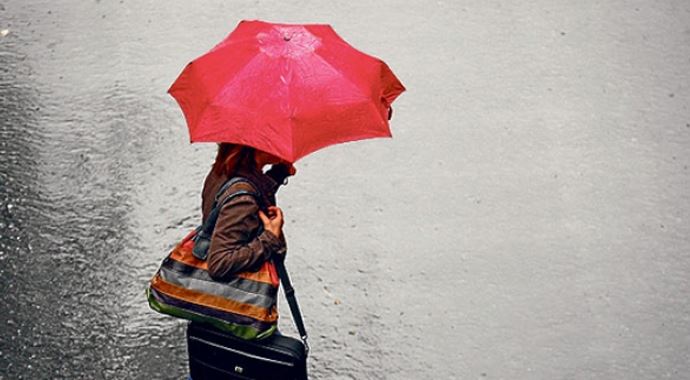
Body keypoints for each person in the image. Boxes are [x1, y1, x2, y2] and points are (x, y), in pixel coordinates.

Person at [200, 143, 296, 279]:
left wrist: (278, 174)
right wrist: (270, 237)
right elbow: (218, 263)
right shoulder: (242, 198)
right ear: (258, 146)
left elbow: (244, 195)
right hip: (233, 296)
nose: (285, 147)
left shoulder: (223, 171)